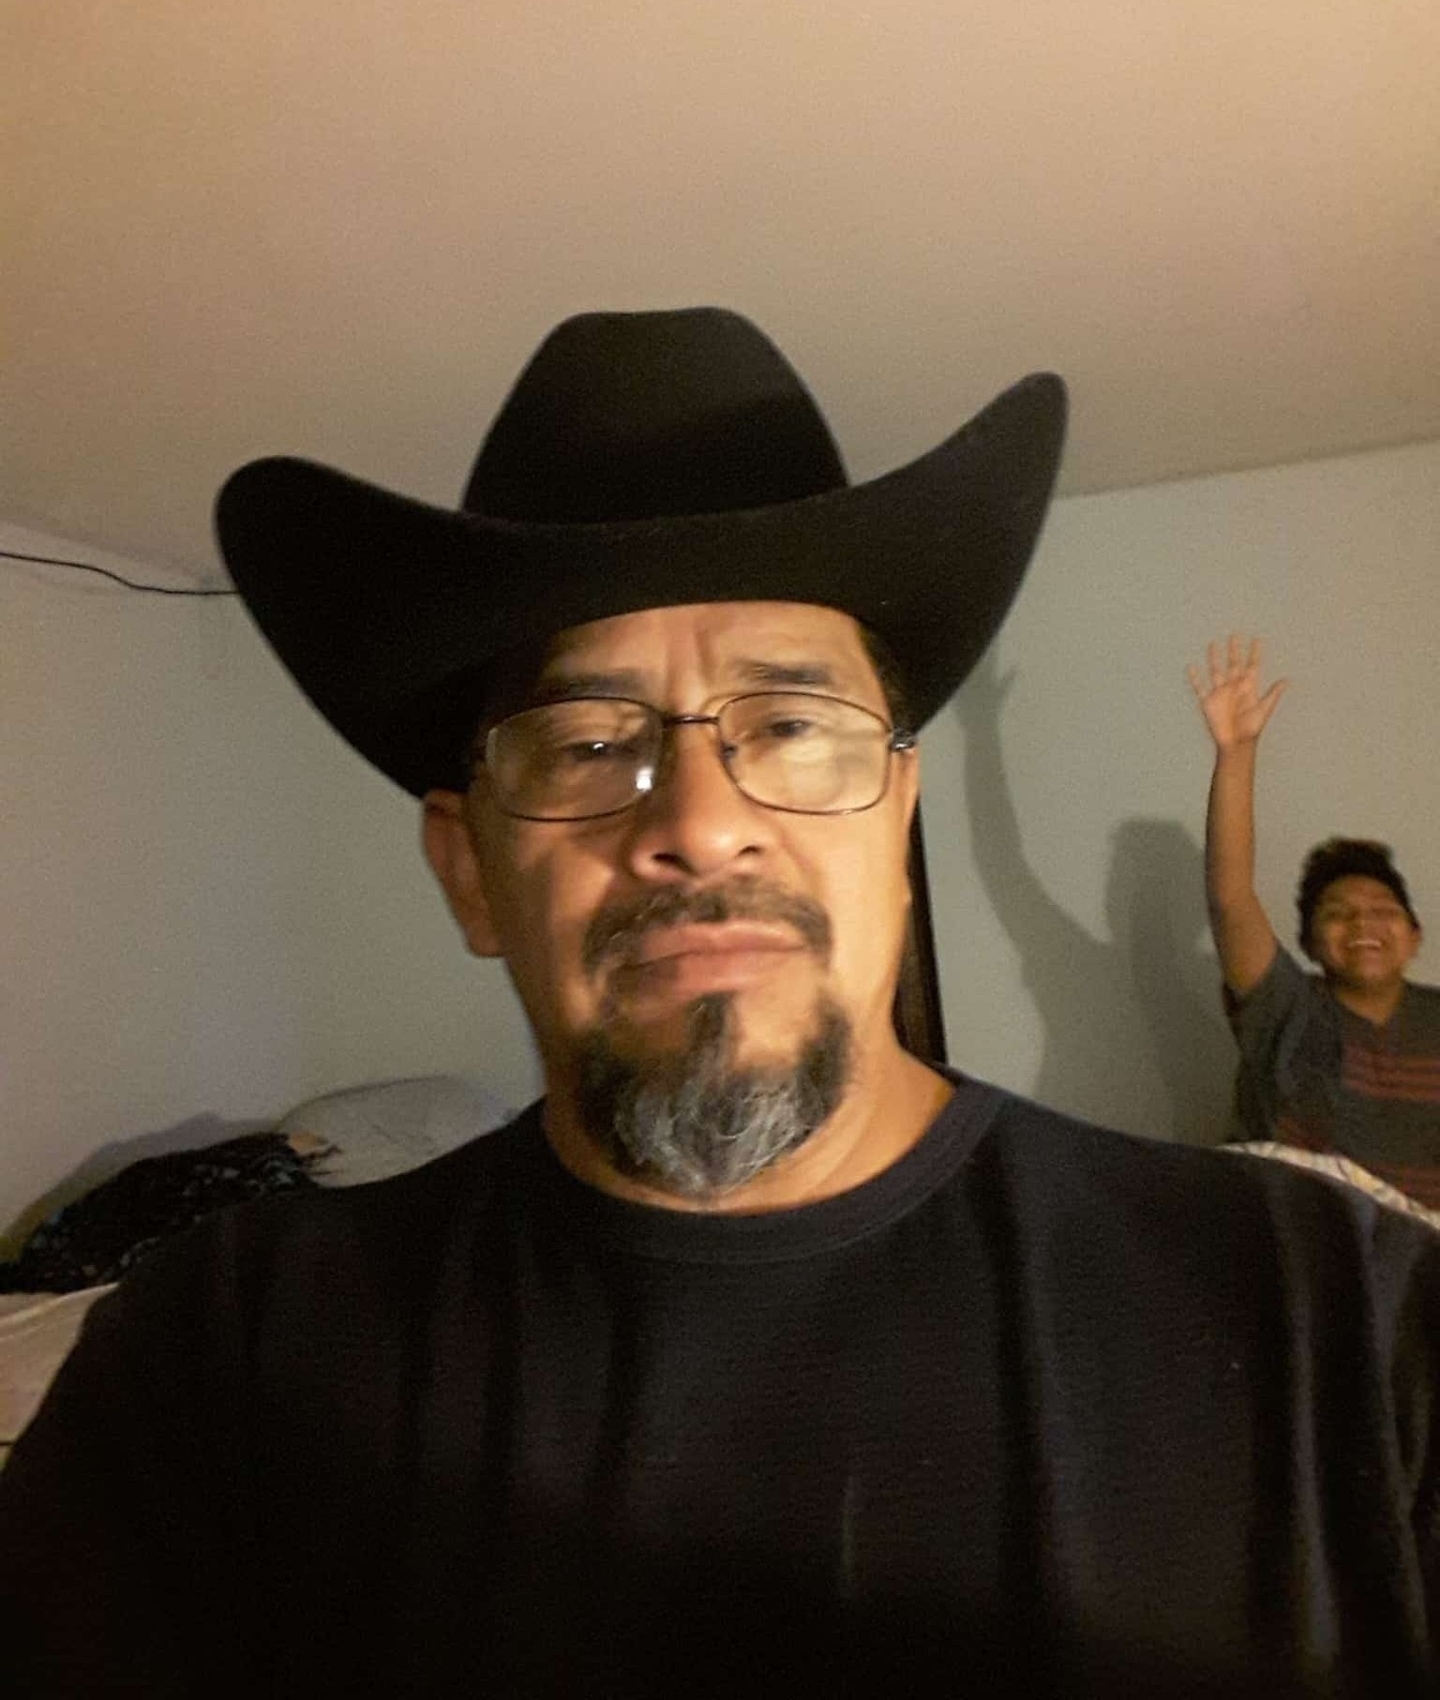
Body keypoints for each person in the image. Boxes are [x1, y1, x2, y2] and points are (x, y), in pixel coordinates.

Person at [2, 314, 1438, 1697]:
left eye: (793, 725)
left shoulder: (1341, 1323)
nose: (698, 824)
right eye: (586, 743)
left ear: (897, 823)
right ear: (470, 872)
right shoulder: (222, 1365)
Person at [1190, 633, 1440, 1205]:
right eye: (1338, 914)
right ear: (1308, 942)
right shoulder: (1286, 1009)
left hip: (1417, 1253)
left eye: (1383, 911)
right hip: (1291, 1241)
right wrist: (1236, 753)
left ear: (1414, 936)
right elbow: (1230, 898)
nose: (1363, 925)